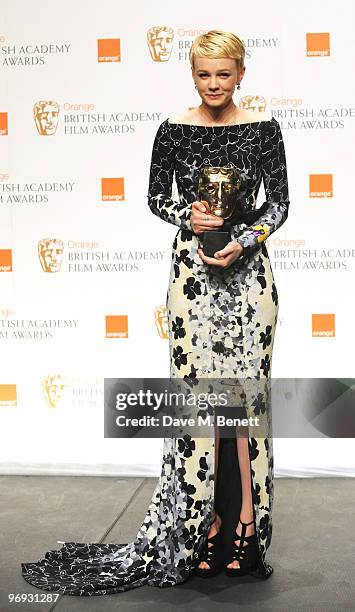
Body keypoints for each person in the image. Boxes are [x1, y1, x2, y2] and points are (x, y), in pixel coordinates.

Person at [20, 29, 289, 595]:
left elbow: (280, 203)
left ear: (242, 73)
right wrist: (186, 216)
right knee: (197, 398)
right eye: (203, 74)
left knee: (245, 399)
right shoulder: (172, 131)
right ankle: (200, 526)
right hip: (192, 276)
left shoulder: (265, 130)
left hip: (249, 274)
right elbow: (154, 197)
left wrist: (249, 237)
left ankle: (246, 528)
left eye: (223, 73)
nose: (213, 84)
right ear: (191, 75)